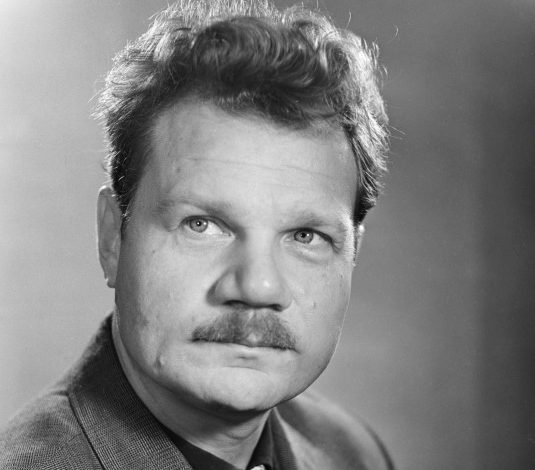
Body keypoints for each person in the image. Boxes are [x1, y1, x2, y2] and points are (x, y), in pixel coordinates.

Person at [0, 1, 392, 468]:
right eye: (201, 225)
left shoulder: (352, 453)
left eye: (305, 236)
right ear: (112, 238)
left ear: (352, 253)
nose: (258, 287)